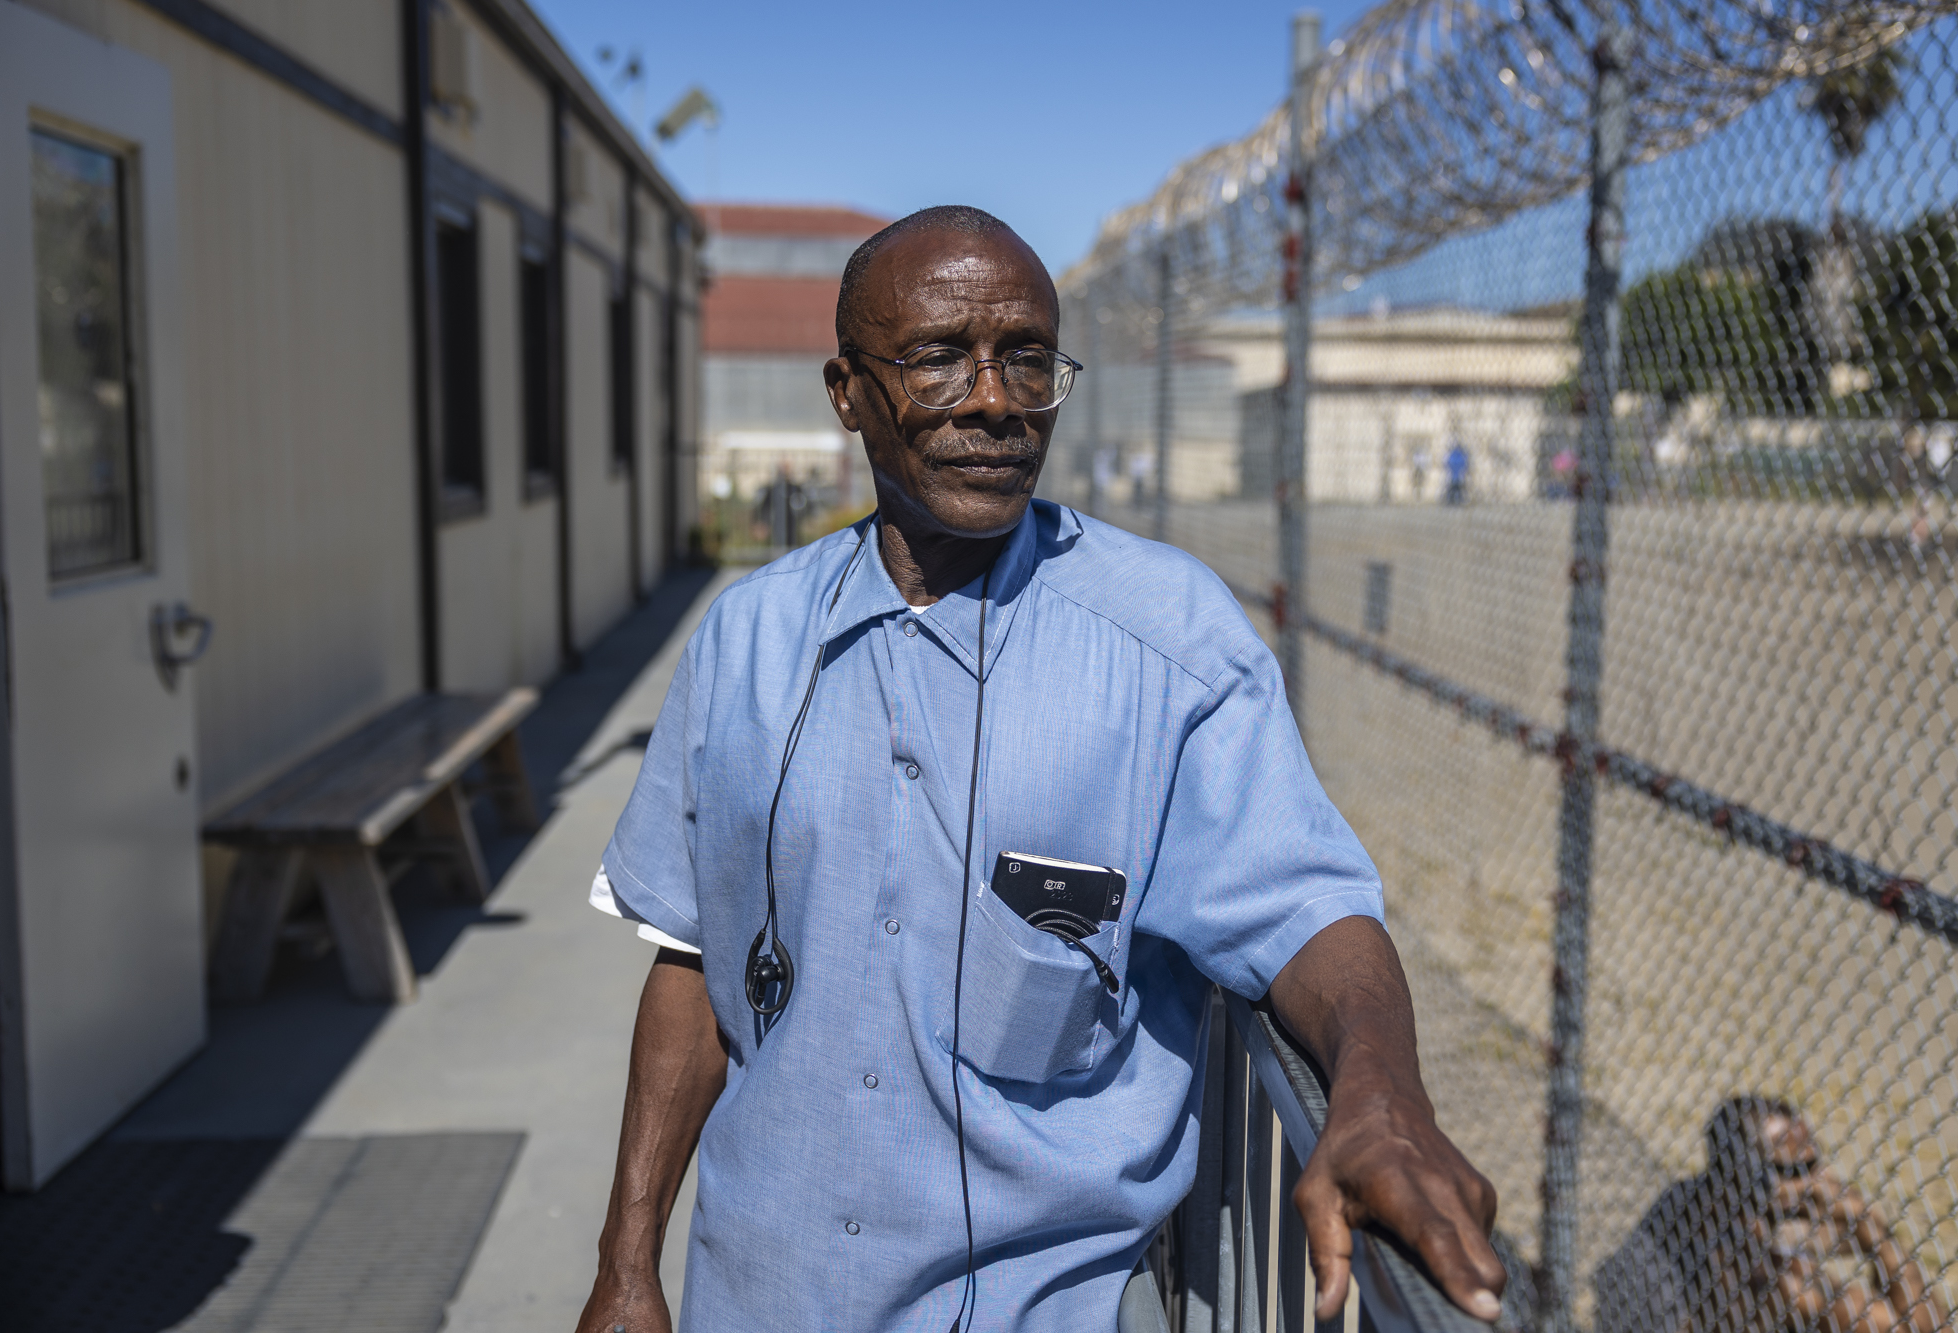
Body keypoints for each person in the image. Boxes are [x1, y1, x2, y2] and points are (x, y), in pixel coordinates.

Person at [575, 205, 1504, 1332]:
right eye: (935, 360)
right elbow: (690, 959)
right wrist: (627, 1266)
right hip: (762, 1291)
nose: (993, 400)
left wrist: (1381, 1089)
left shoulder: (1169, 646)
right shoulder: (746, 643)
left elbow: (1308, 915)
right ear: (845, 392)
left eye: (1025, 359)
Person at [1593, 1096, 1950, 1333]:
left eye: (1815, 1163)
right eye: (1795, 1171)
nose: (1819, 1180)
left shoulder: (1693, 1198)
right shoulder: (1765, 1275)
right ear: (1744, 1180)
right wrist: (1874, 1230)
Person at [1444, 437, 1470, 505]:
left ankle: (1452, 500)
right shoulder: (1461, 455)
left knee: (1454, 488)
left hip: (1453, 476)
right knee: (1457, 488)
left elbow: (1448, 464)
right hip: (1458, 476)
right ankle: (1456, 500)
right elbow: (1465, 465)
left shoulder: (1453, 455)